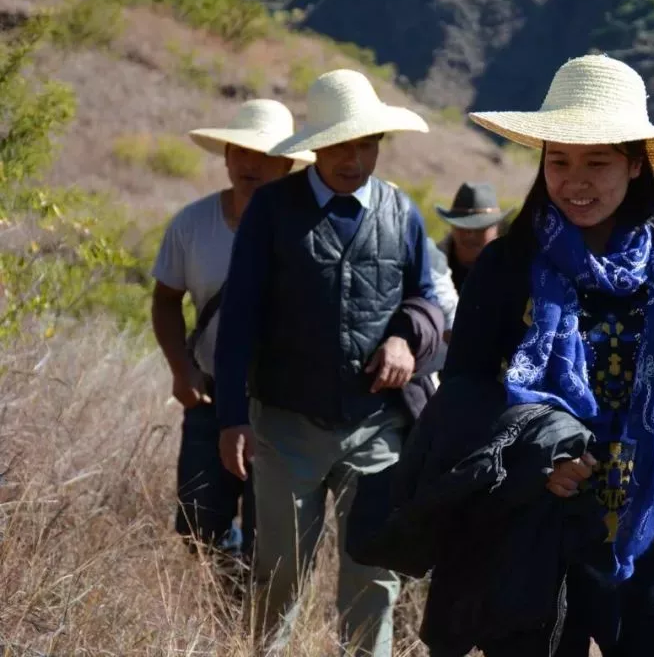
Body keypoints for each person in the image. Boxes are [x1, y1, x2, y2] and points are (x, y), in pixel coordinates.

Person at [440, 54, 654, 655]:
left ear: (635, 164)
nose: (575, 181)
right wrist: (537, 457)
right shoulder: (507, 266)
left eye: (597, 162)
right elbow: (463, 392)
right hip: (532, 532)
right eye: (559, 161)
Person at [214, 69, 440, 657]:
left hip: (377, 429)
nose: (355, 157)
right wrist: (232, 416)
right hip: (287, 425)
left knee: (373, 576)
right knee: (278, 571)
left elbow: (428, 300)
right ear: (315, 144)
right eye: (341, 144)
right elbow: (238, 317)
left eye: (367, 143)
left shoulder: (401, 213)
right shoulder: (271, 210)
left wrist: (405, 340)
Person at [150, 100, 314, 578]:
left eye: (264, 154)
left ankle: (254, 622)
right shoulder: (191, 225)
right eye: (240, 151)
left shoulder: (309, 231)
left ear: (287, 164)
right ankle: (230, 601)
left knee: (274, 527)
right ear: (225, 157)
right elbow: (165, 300)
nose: (251, 163)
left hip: (283, 400)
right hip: (212, 393)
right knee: (199, 521)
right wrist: (181, 370)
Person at [434, 182, 508, 293]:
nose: (470, 234)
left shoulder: (514, 268)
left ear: (496, 227)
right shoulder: (431, 266)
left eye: (480, 227)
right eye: (463, 226)